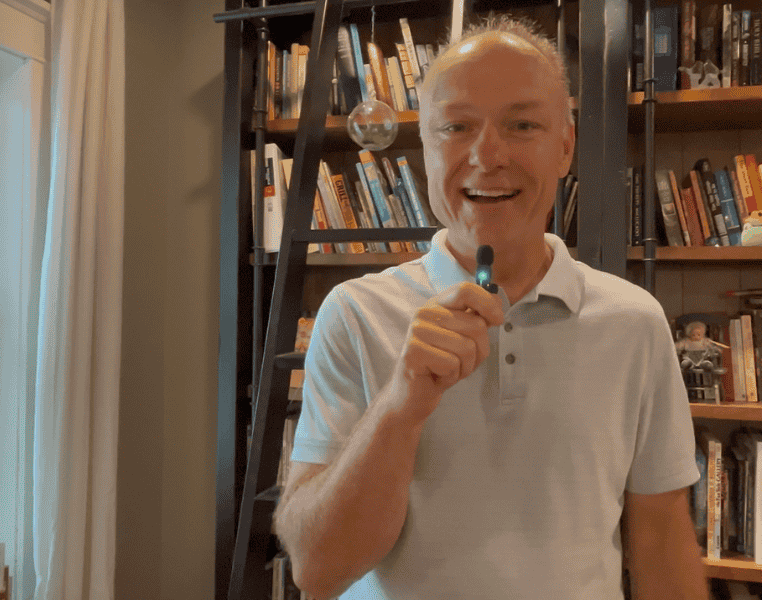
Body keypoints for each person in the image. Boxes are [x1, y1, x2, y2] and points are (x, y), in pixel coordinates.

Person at [273, 15, 708, 600]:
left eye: (522, 124)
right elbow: (317, 568)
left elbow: (661, 544)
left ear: (565, 146)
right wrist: (403, 404)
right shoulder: (354, 313)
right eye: (456, 126)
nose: (488, 154)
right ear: (425, 148)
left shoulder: (635, 322)